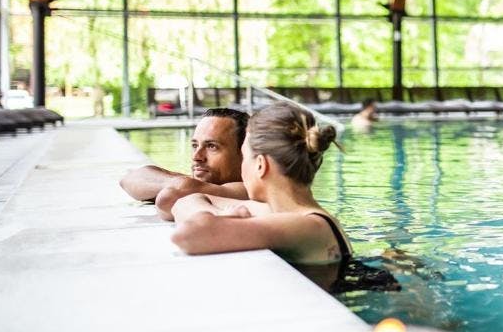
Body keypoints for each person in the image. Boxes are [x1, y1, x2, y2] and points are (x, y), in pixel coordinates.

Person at [170, 102, 353, 281]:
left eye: (244, 157)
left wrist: (220, 218)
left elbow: (187, 235)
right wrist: (219, 215)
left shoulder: (309, 226)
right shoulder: (278, 212)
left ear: (260, 165)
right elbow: (185, 202)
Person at [119, 107, 250, 219]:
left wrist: (183, 184)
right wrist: (185, 183)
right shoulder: (205, 184)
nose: (196, 157)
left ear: (245, 153)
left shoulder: (247, 190)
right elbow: (129, 179)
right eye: (195, 145)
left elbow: (170, 196)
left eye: (212, 146)